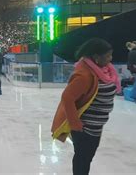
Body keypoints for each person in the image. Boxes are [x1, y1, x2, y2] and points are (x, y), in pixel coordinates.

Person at [51, 38, 120, 175]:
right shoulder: (85, 75)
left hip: (96, 126)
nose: (110, 59)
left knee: (87, 158)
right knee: (83, 159)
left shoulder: (104, 70)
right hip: (85, 128)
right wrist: (75, 124)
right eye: (107, 56)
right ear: (96, 57)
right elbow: (67, 98)